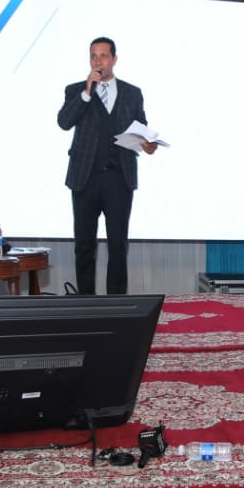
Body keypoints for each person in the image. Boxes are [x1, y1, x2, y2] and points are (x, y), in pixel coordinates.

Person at [57, 37, 157, 295]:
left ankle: (117, 304)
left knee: (118, 245)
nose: (98, 61)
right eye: (93, 56)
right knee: (84, 245)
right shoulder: (76, 90)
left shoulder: (132, 93)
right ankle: (85, 303)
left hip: (118, 177)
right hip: (85, 178)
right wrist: (86, 93)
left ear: (114, 59)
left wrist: (147, 144)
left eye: (103, 56)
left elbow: (141, 128)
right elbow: (64, 122)